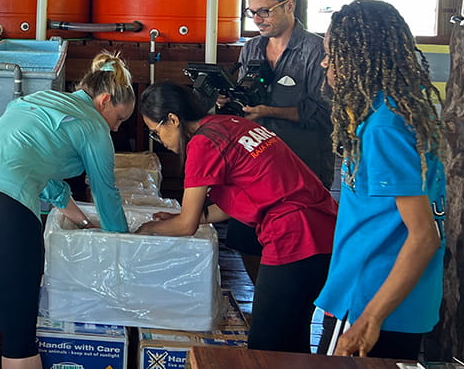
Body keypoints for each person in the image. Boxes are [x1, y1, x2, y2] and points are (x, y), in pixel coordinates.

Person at [0, 52, 133, 369]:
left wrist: (81, 220)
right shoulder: (94, 127)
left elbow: (38, 174)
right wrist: (121, 243)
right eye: (119, 118)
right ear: (105, 100)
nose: (116, 128)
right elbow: (105, 192)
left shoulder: (40, 100)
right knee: (18, 335)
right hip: (1, 209)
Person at [136, 82, 337, 354]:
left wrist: (150, 229)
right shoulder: (226, 124)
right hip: (322, 226)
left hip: (295, 236)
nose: (160, 141)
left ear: (172, 119)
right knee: (291, 339)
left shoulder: (202, 144)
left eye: (156, 133)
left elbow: (186, 225)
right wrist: (183, 216)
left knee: (266, 348)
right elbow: (236, 201)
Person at [315, 0, 446, 360]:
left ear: (357, 58)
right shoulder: (400, 108)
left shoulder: (384, 127)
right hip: (399, 301)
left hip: (369, 298)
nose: (326, 63)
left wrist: (370, 318)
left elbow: (423, 237)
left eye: (332, 55)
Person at [222, 0, 333, 282]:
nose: (257, 19)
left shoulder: (316, 51)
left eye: (264, 11)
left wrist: (269, 111)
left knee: (300, 249)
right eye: (252, 12)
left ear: (289, 6)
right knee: (246, 239)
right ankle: (263, 297)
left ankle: (295, 308)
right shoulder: (252, 49)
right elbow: (245, 100)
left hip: (303, 167)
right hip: (255, 167)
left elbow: (324, 113)